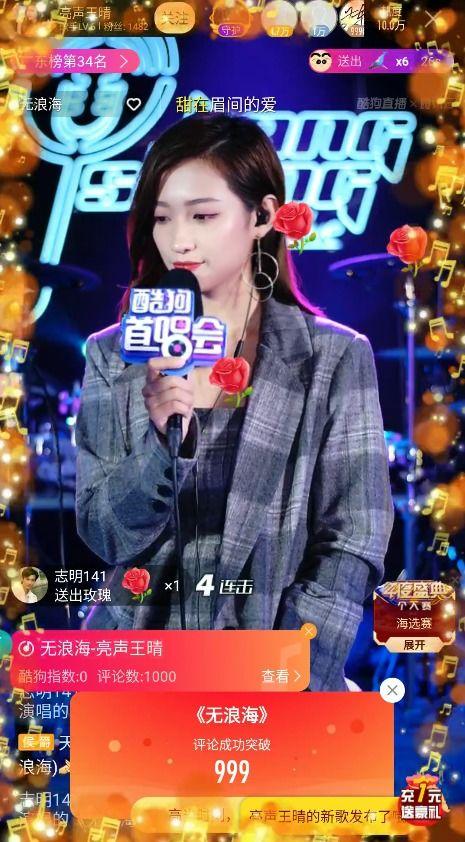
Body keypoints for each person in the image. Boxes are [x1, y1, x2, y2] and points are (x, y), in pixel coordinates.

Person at [75, 114, 394, 691]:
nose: (179, 240)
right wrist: (160, 444)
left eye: (202, 215)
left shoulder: (334, 358)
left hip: (278, 675)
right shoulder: (112, 356)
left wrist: (289, 670)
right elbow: (103, 532)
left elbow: (353, 540)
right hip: (139, 678)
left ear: (263, 217)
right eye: (162, 218)